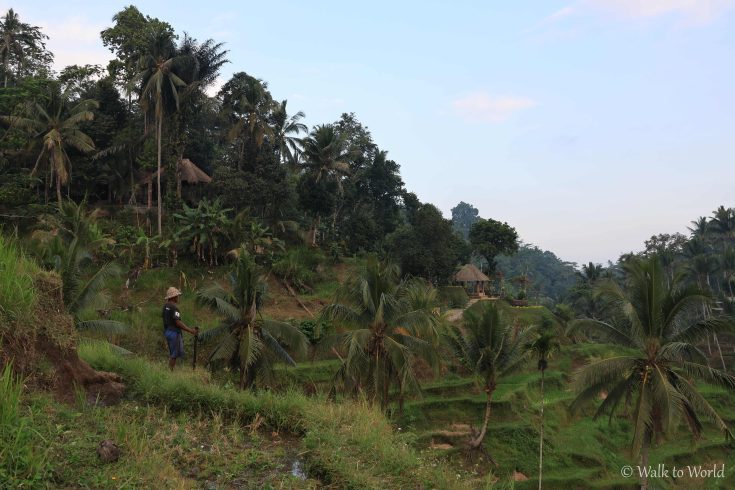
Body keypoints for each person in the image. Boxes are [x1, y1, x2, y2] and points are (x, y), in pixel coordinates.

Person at [162, 287, 198, 370]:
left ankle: (170, 371)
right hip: (174, 333)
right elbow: (178, 322)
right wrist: (191, 331)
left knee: (173, 353)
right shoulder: (174, 308)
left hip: (167, 332)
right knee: (174, 354)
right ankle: (170, 373)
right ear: (174, 297)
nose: (178, 297)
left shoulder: (165, 306)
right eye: (177, 296)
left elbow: (165, 320)